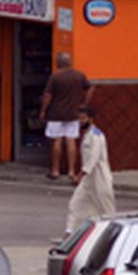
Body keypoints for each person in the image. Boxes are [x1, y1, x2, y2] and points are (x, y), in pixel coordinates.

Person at [41, 52, 93, 181]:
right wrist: (84, 103)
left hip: (55, 113)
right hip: (73, 113)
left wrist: (43, 111)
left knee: (57, 140)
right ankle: (71, 170)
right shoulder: (79, 76)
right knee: (71, 141)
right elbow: (90, 88)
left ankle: (55, 170)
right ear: (70, 62)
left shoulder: (55, 77)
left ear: (58, 63)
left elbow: (48, 96)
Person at [66, 106, 115, 233]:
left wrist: (80, 174)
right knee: (75, 204)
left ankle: (113, 234)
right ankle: (69, 234)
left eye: (83, 119)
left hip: (100, 179)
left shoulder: (97, 136)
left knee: (106, 210)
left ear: (91, 119)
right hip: (88, 180)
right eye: (79, 119)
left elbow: (93, 157)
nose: (80, 122)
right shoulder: (86, 135)